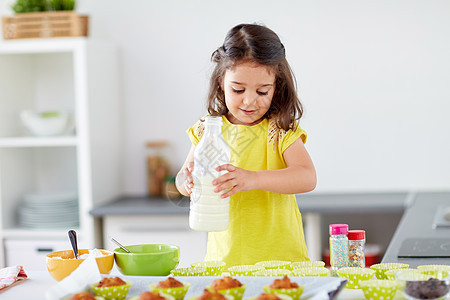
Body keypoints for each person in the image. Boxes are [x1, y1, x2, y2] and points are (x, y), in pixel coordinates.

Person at [176, 23, 317, 266]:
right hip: (224, 261)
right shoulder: (208, 130)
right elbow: (183, 175)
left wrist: (253, 179)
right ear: (221, 82)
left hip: (281, 261)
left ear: (277, 87)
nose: (249, 101)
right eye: (238, 89)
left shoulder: (279, 129)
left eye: (262, 91)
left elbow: (307, 177)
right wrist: (185, 182)